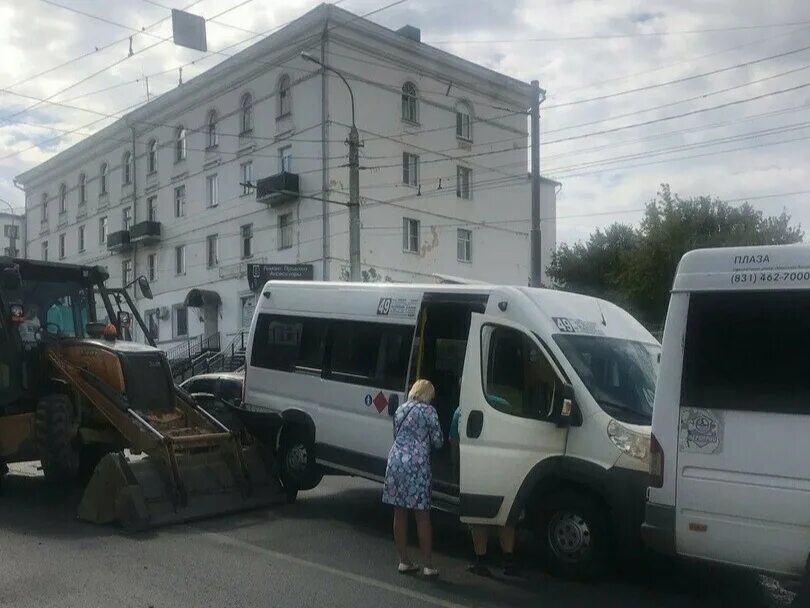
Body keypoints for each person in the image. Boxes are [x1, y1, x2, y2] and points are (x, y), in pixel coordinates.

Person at [382, 379, 444, 578]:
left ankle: (403, 561)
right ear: (428, 395)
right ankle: (428, 565)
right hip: (417, 466)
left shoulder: (401, 409)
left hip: (396, 462)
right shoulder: (429, 412)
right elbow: (438, 441)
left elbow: (395, 434)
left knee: (399, 513)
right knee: (422, 516)